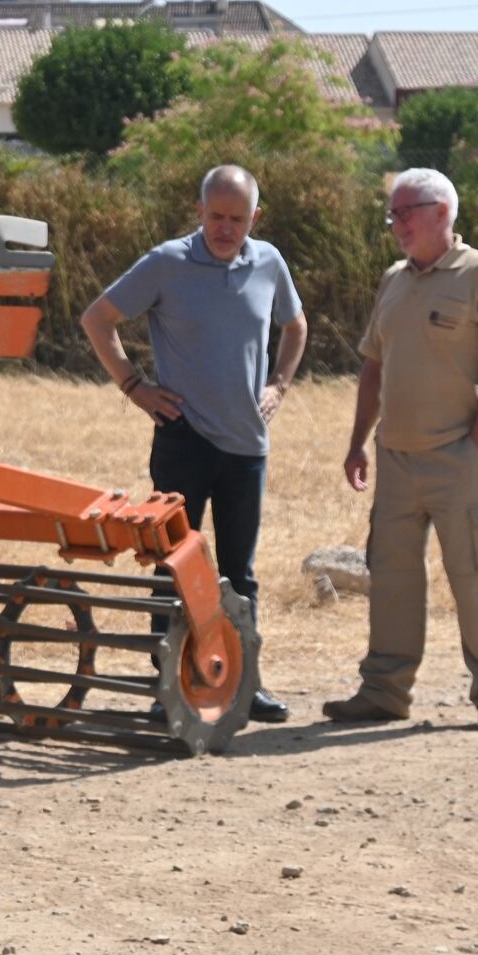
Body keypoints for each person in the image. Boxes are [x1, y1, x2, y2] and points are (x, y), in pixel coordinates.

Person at [80, 164, 307, 724]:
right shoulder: (168, 263)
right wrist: (136, 388)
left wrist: (278, 384)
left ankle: (242, 682)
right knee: (173, 563)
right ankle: (170, 686)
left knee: (240, 570)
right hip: (184, 441)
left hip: (247, 446)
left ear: (255, 217)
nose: (225, 229)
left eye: (237, 219)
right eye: (215, 217)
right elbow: (98, 319)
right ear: (199, 212)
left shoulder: (269, 261)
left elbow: (296, 326)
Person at [326, 168, 478, 731]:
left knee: (477, 573)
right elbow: (373, 367)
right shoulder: (393, 280)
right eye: (392, 214)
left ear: (442, 213)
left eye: (406, 212)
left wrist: (476, 443)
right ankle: (384, 691)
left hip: (458, 458)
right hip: (396, 459)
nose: (396, 224)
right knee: (391, 578)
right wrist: (359, 441)